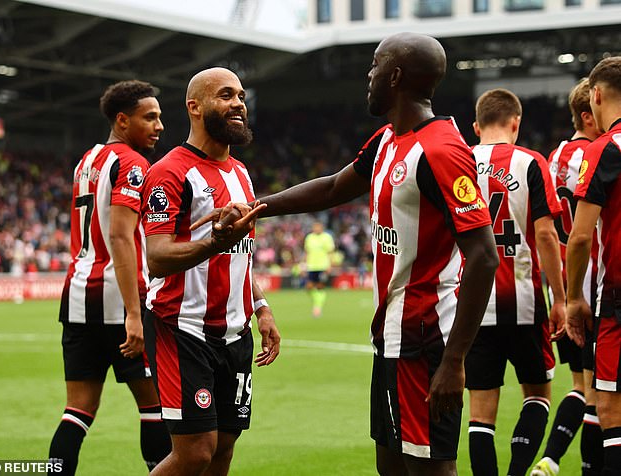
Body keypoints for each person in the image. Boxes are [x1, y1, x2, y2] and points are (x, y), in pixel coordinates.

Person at [211, 32, 499, 476]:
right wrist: (256, 209)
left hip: (424, 340)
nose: (369, 75)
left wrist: (454, 361)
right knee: (392, 467)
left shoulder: (440, 150)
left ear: (396, 76)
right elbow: (332, 187)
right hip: (391, 336)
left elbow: (483, 256)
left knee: (430, 469)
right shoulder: (388, 140)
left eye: (375, 65)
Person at [141, 67, 281, 476]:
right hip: (182, 327)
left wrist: (262, 307)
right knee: (195, 452)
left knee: (223, 450)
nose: (238, 103)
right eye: (226, 95)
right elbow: (158, 256)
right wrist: (213, 242)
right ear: (195, 106)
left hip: (235, 334)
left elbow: (242, 253)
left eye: (240, 95)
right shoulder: (169, 172)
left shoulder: (241, 173)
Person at [49, 80, 171, 475]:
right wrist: (135, 315)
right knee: (154, 406)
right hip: (120, 302)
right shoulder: (133, 164)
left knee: (77, 410)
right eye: (149, 117)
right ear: (123, 120)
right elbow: (120, 235)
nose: (159, 126)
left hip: (78, 296)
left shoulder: (86, 160)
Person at [462, 88, 565, 476]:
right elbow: (545, 235)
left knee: (481, 412)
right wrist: (559, 298)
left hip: (472, 306)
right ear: (516, 123)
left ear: (476, 127)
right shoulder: (531, 162)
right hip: (523, 300)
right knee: (537, 395)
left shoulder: (460, 161)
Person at [532, 78, 603, 476]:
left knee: (582, 386)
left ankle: (552, 459)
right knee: (601, 392)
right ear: (590, 115)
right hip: (591, 279)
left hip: (559, 280)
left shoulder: (553, 156)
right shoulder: (598, 152)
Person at [566, 55, 621, 476]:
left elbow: (581, 236)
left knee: (610, 410)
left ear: (596, 96)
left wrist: (572, 299)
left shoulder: (603, 149)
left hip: (617, 304)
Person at [304, 221, 335, 317]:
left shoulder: (327, 237)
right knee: (309, 287)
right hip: (311, 266)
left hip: (323, 266)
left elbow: (330, 252)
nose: (316, 229)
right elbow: (307, 252)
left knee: (320, 286)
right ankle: (317, 303)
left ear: (321, 228)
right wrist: (304, 264)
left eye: (318, 227)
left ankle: (317, 307)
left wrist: (330, 265)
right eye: (315, 227)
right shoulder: (309, 237)